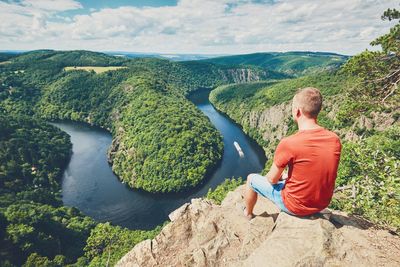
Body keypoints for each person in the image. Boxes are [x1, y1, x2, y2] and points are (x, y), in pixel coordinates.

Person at [244, 87, 342, 218]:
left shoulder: (289, 143)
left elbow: (271, 179)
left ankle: (248, 213)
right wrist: (286, 176)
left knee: (251, 179)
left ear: (297, 111)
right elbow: (314, 168)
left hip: (295, 206)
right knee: (284, 178)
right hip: (322, 203)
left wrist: (279, 177)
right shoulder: (334, 139)